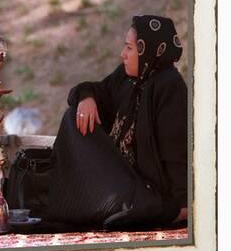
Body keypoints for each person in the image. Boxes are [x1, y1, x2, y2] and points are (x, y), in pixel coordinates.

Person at [40, 15, 187, 230]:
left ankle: (136, 208)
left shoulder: (169, 87)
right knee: (74, 117)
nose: (123, 54)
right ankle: (113, 206)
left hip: (146, 190)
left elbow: (176, 152)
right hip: (118, 175)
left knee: (127, 204)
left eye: (129, 48)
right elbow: (96, 89)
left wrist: (181, 205)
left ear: (147, 51)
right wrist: (87, 98)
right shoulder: (127, 77)